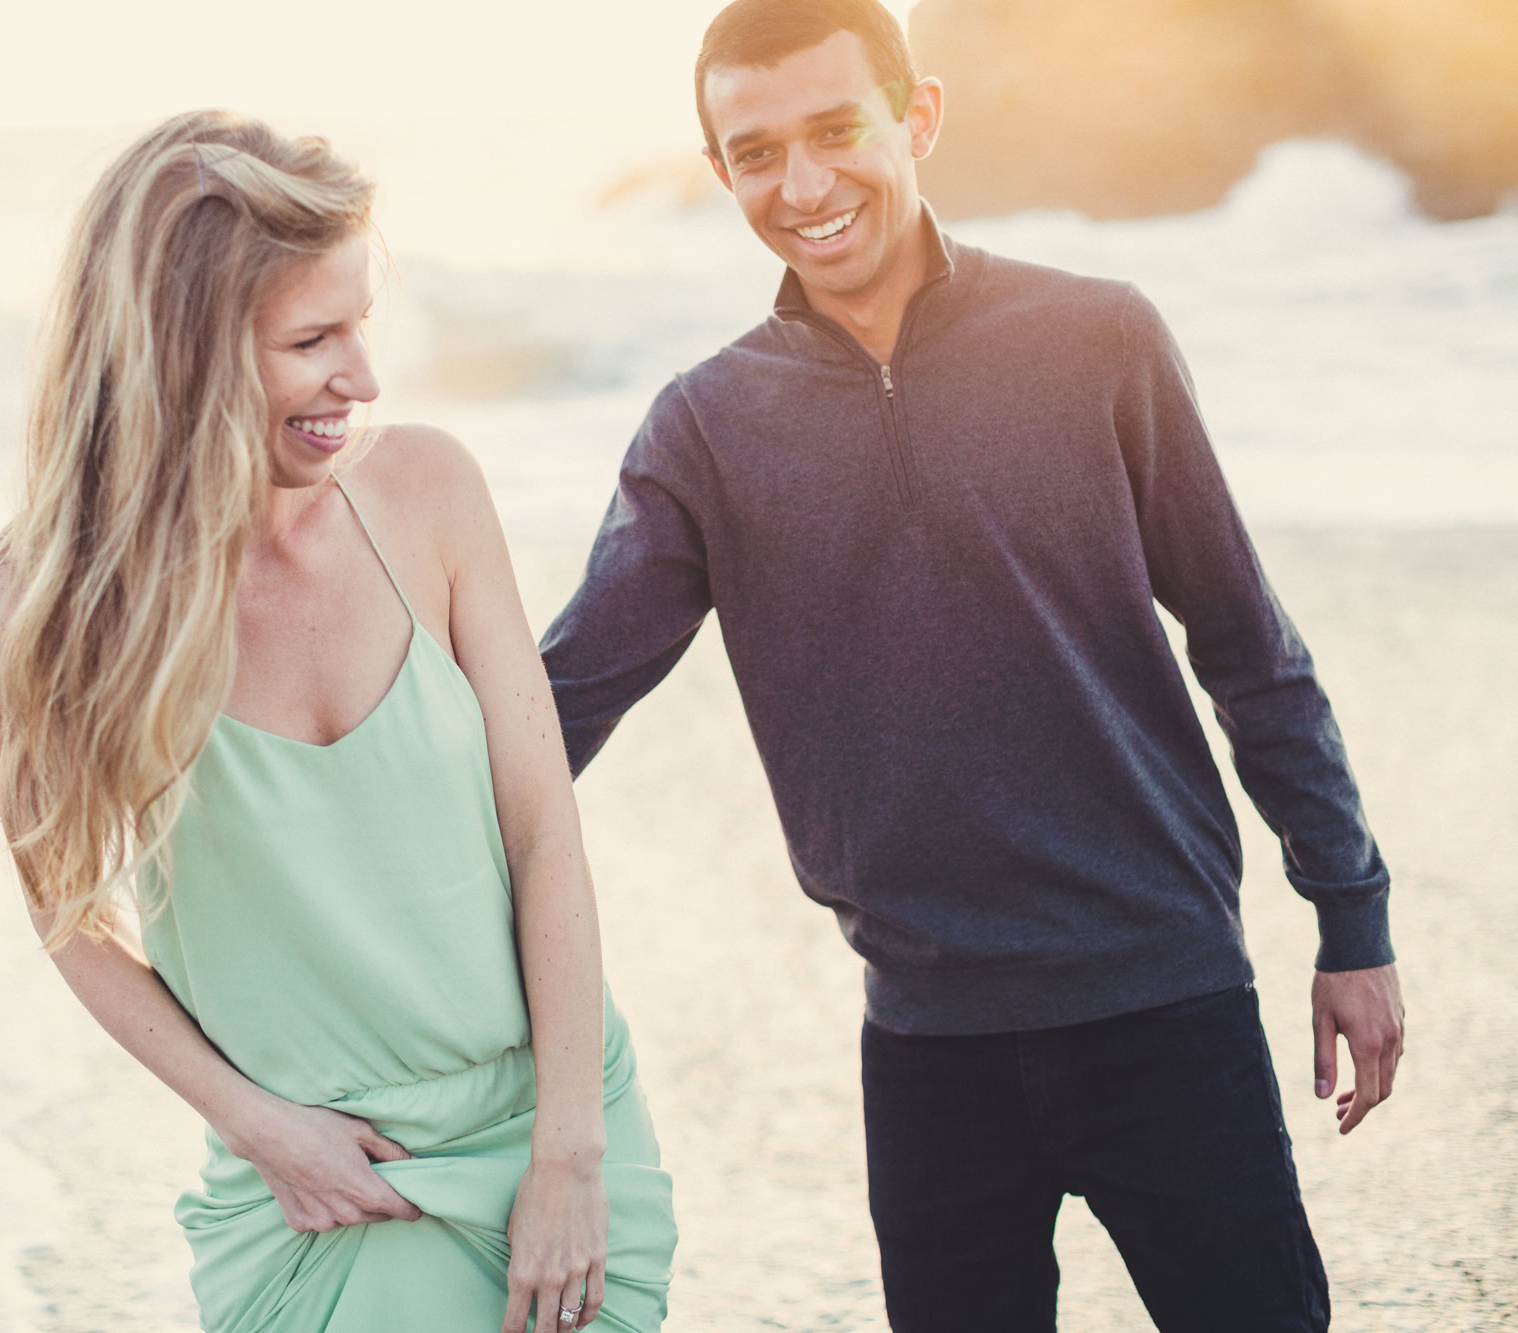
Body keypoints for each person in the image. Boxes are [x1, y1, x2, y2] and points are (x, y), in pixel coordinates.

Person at [540, 2, 1405, 1329]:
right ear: (721, 175)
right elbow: (560, 703)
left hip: (1166, 1007)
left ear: (918, 117)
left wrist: (1353, 920)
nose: (804, 184)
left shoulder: (1099, 339)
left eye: (837, 131)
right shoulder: (707, 429)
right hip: (928, 1050)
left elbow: (1248, 644)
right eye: (757, 153)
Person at [0, 111, 674, 1333]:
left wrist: (572, 1151)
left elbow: (545, 830)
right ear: (184, 358)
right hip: (318, 1193)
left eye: (360, 324)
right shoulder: (38, 611)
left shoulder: (428, 494)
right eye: (311, 339)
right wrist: (257, 1124)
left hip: (554, 1134)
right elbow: (65, 911)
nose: (363, 376)